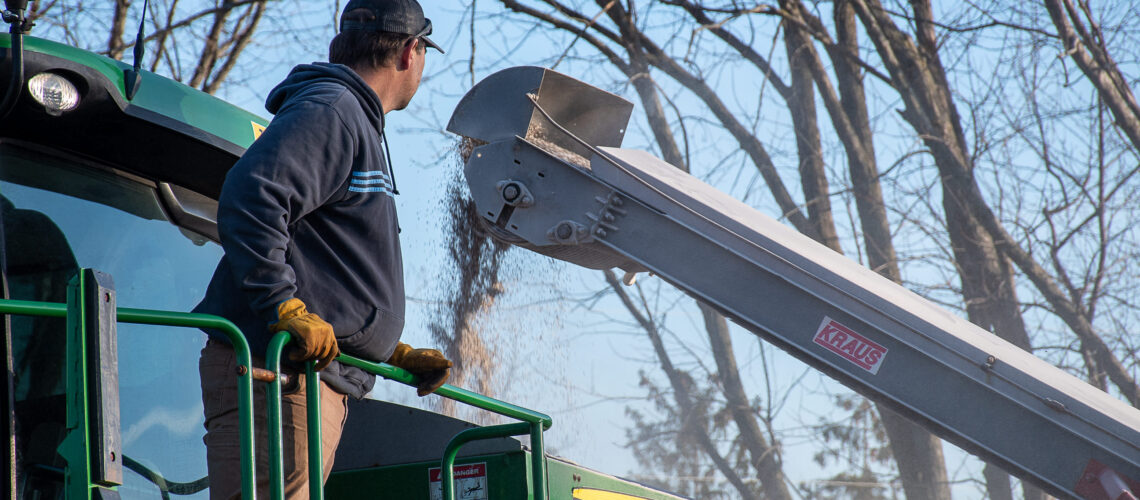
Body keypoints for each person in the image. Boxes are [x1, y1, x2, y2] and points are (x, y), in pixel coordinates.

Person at [193, 0, 451, 497]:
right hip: (278, 374)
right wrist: (283, 307)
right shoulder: (333, 109)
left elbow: (323, 256)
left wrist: (381, 344)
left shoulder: (349, 117)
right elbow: (252, 197)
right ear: (409, 52)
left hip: (302, 374)